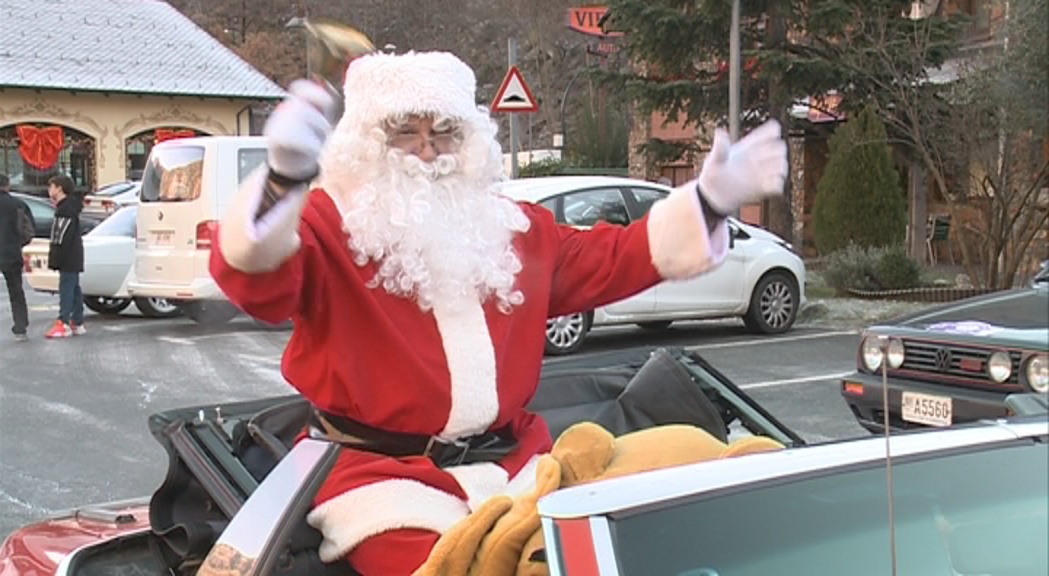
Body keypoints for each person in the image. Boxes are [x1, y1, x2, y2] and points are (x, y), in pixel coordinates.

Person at [210, 50, 788, 575]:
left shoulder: (512, 231)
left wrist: (708, 202)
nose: (429, 151)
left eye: (445, 132)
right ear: (366, 143)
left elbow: (614, 258)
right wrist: (283, 179)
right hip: (384, 484)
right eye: (405, 134)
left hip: (516, 463)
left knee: (656, 506)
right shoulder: (328, 227)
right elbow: (256, 280)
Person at [45, 174, 86, 338]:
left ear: (59, 189)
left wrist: (55, 258)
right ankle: (77, 321)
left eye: (52, 187)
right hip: (73, 254)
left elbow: (60, 237)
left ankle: (64, 322)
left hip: (68, 255)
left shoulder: (64, 210)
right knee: (74, 288)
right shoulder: (70, 207)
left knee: (67, 288)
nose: (50, 190)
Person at [0, 173, 33, 341]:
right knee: (16, 292)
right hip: (11, 253)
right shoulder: (18, 205)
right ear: (7, 186)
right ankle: (20, 328)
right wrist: (17, 242)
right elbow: (28, 231)